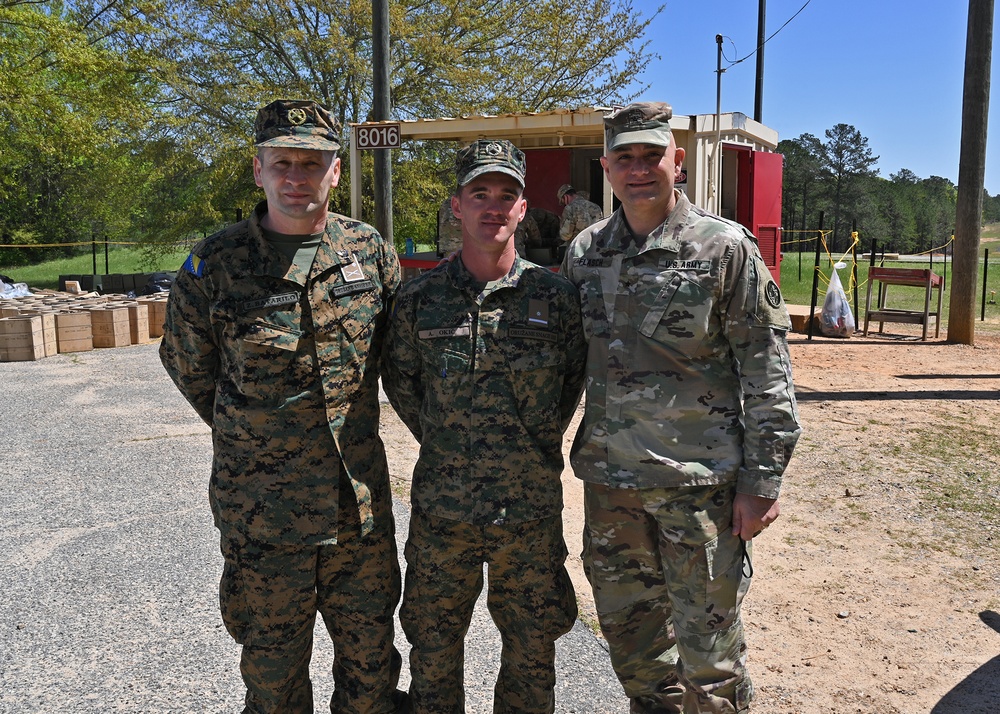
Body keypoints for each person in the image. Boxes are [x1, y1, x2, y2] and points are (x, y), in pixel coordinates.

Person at [159, 99, 406, 714]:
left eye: (312, 163)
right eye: (283, 163)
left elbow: (397, 362)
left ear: (336, 172)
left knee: (372, 673)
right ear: (258, 169)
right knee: (273, 681)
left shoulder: (369, 252)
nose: (297, 177)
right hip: (263, 518)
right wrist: (258, 440)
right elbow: (192, 371)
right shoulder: (214, 265)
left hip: (358, 512)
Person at [560, 102, 802, 714]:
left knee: (710, 655)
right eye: (625, 157)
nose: (638, 169)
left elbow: (767, 372)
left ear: (678, 163)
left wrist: (762, 480)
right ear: (606, 167)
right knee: (632, 642)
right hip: (613, 488)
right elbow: (564, 366)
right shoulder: (585, 252)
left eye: (651, 155)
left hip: (700, 489)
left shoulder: (726, 250)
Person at [382, 139, 588, 714]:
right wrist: (447, 441)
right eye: (481, 194)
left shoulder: (557, 298)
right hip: (443, 513)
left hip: (528, 513)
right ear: (458, 205)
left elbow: (570, 385)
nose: (494, 206)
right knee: (433, 649)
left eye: (508, 195)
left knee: (531, 654)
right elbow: (403, 386)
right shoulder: (418, 301)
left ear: (524, 208)